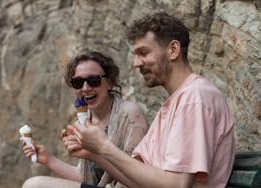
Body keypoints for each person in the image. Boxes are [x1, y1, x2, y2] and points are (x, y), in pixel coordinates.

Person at [64, 12, 235, 188]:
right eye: (135, 55)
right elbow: (139, 180)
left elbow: (176, 185)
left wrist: (103, 146)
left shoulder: (195, 99)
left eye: (143, 53)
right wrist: (94, 153)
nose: (136, 63)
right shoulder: (176, 102)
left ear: (173, 50)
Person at [21, 50, 149, 188]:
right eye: (78, 82)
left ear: (110, 82)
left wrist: (94, 153)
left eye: (94, 80)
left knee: (34, 185)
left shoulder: (129, 114)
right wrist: (48, 159)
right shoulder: (84, 122)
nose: (86, 88)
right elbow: (89, 180)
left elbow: (140, 180)